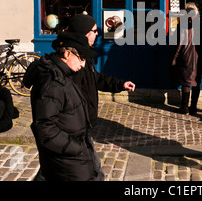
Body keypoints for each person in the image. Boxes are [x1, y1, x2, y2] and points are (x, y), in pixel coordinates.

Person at [25, 32, 134, 181]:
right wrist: (76, 147)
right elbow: (45, 129)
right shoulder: (52, 83)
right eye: (81, 58)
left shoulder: (65, 73)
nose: (83, 64)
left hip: (75, 153)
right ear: (68, 54)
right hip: (69, 158)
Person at [169, 2, 199, 114]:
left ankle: (184, 107)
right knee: (196, 81)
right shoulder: (200, 23)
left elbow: (179, 44)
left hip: (186, 55)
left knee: (186, 82)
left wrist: (174, 58)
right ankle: (194, 106)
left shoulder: (183, 24)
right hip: (198, 56)